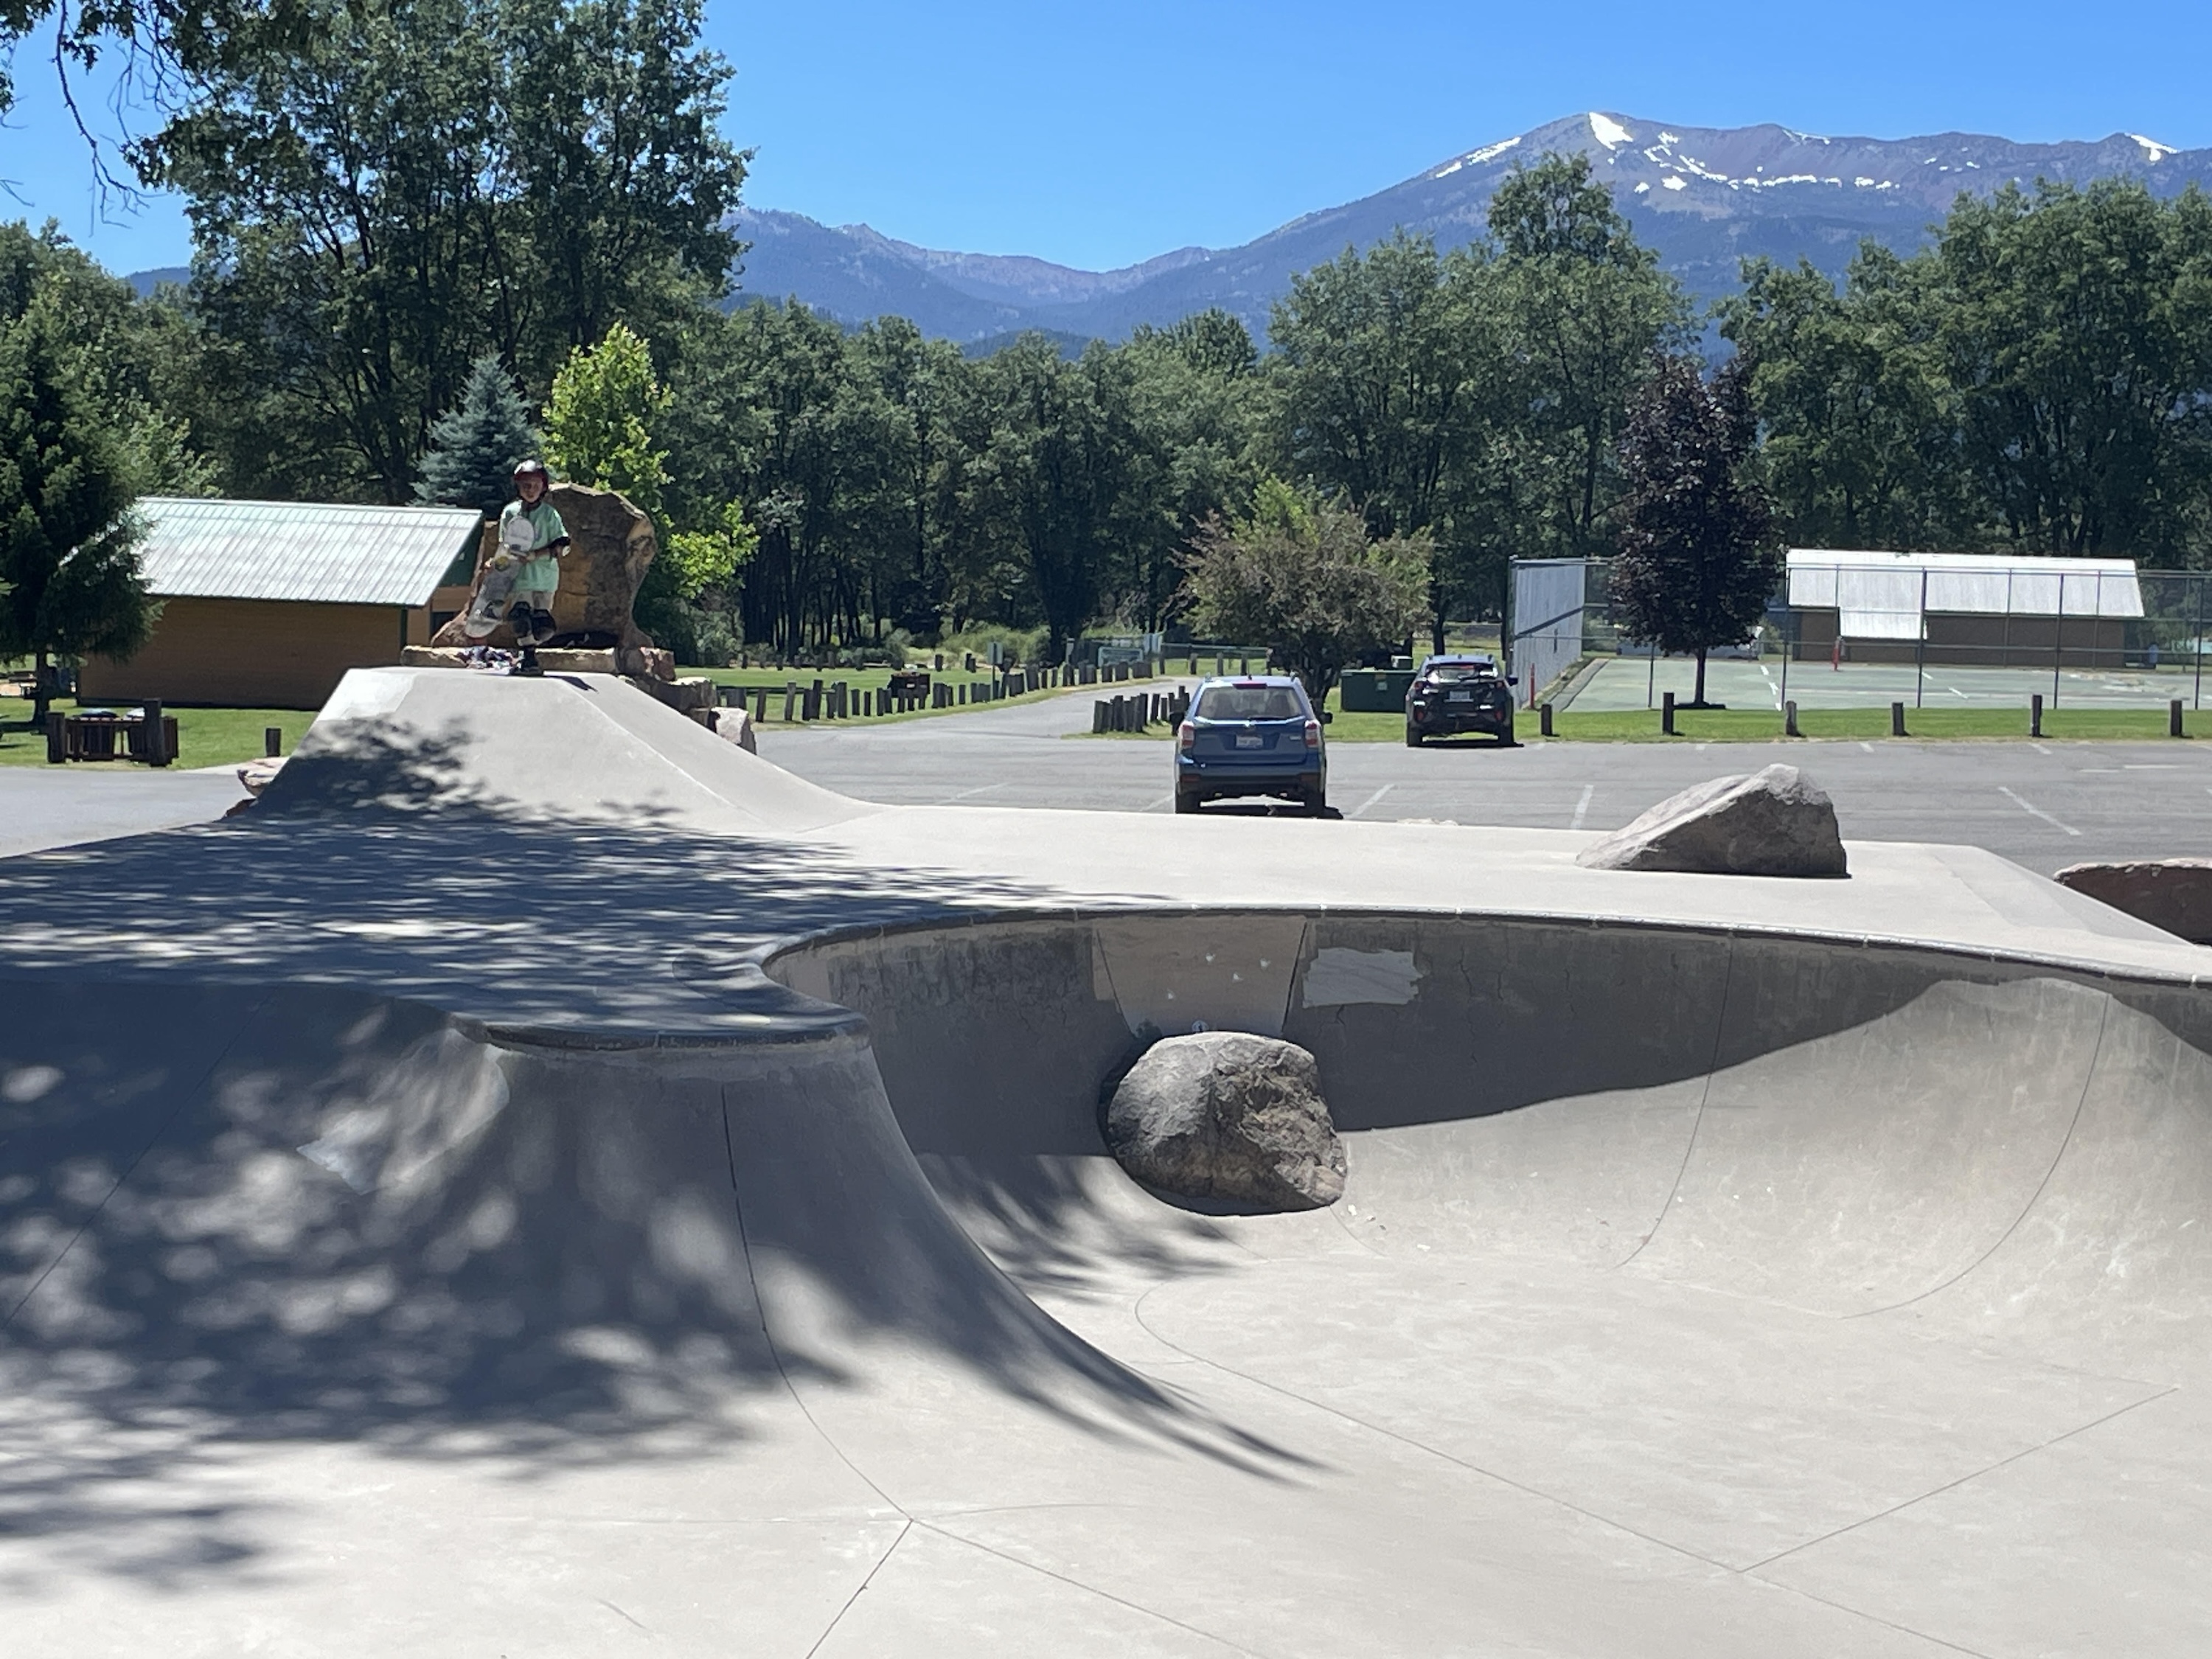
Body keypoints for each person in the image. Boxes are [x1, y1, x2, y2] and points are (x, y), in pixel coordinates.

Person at [498, 460, 571, 676]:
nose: (530, 490)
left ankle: (536, 646)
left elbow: (563, 545)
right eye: (525, 485)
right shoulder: (511, 513)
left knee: (541, 623)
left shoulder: (549, 515)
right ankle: (528, 657)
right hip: (520, 577)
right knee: (520, 617)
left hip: (544, 577)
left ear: (543, 487)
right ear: (518, 487)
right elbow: (505, 544)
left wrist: (537, 555)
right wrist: (498, 565)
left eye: (535, 486)